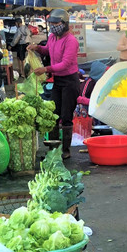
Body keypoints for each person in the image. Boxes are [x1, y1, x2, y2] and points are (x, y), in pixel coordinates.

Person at [27, 9, 80, 159]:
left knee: (66, 115)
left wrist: (46, 69)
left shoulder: (71, 41)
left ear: (64, 24)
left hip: (70, 81)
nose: (53, 26)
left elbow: (65, 64)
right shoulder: (52, 37)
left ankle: (66, 150)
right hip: (58, 81)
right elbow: (47, 51)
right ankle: (53, 148)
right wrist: (36, 48)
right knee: (53, 114)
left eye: (55, 23)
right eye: (51, 24)